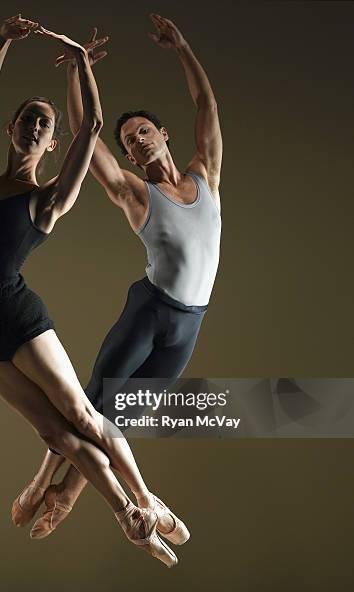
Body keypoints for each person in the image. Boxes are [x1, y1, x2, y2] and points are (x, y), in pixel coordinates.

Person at [0, 14, 188, 568]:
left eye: (45, 124)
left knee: (83, 418)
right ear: (12, 129)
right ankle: (133, 519)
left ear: (52, 143)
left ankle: (143, 505)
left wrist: (81, 64)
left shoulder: (48, 199)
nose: (35, 127)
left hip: (16, 316)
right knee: (57, 434)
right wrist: (1, 40)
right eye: (28, 119)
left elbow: (93, 127)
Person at [13, 13, 222, 540]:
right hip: (149, 313)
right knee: (92, 404)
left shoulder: (206, 175)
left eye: (145, 132)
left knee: (120, 418)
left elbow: (206, 106)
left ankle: (66, 492)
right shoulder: (134, 193)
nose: (138, 142)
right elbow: (88, 135)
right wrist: (76, 71)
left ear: (163, 135)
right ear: (129, 155)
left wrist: (182, 47)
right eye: (130, 141)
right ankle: (46, 485)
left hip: (189, 325)